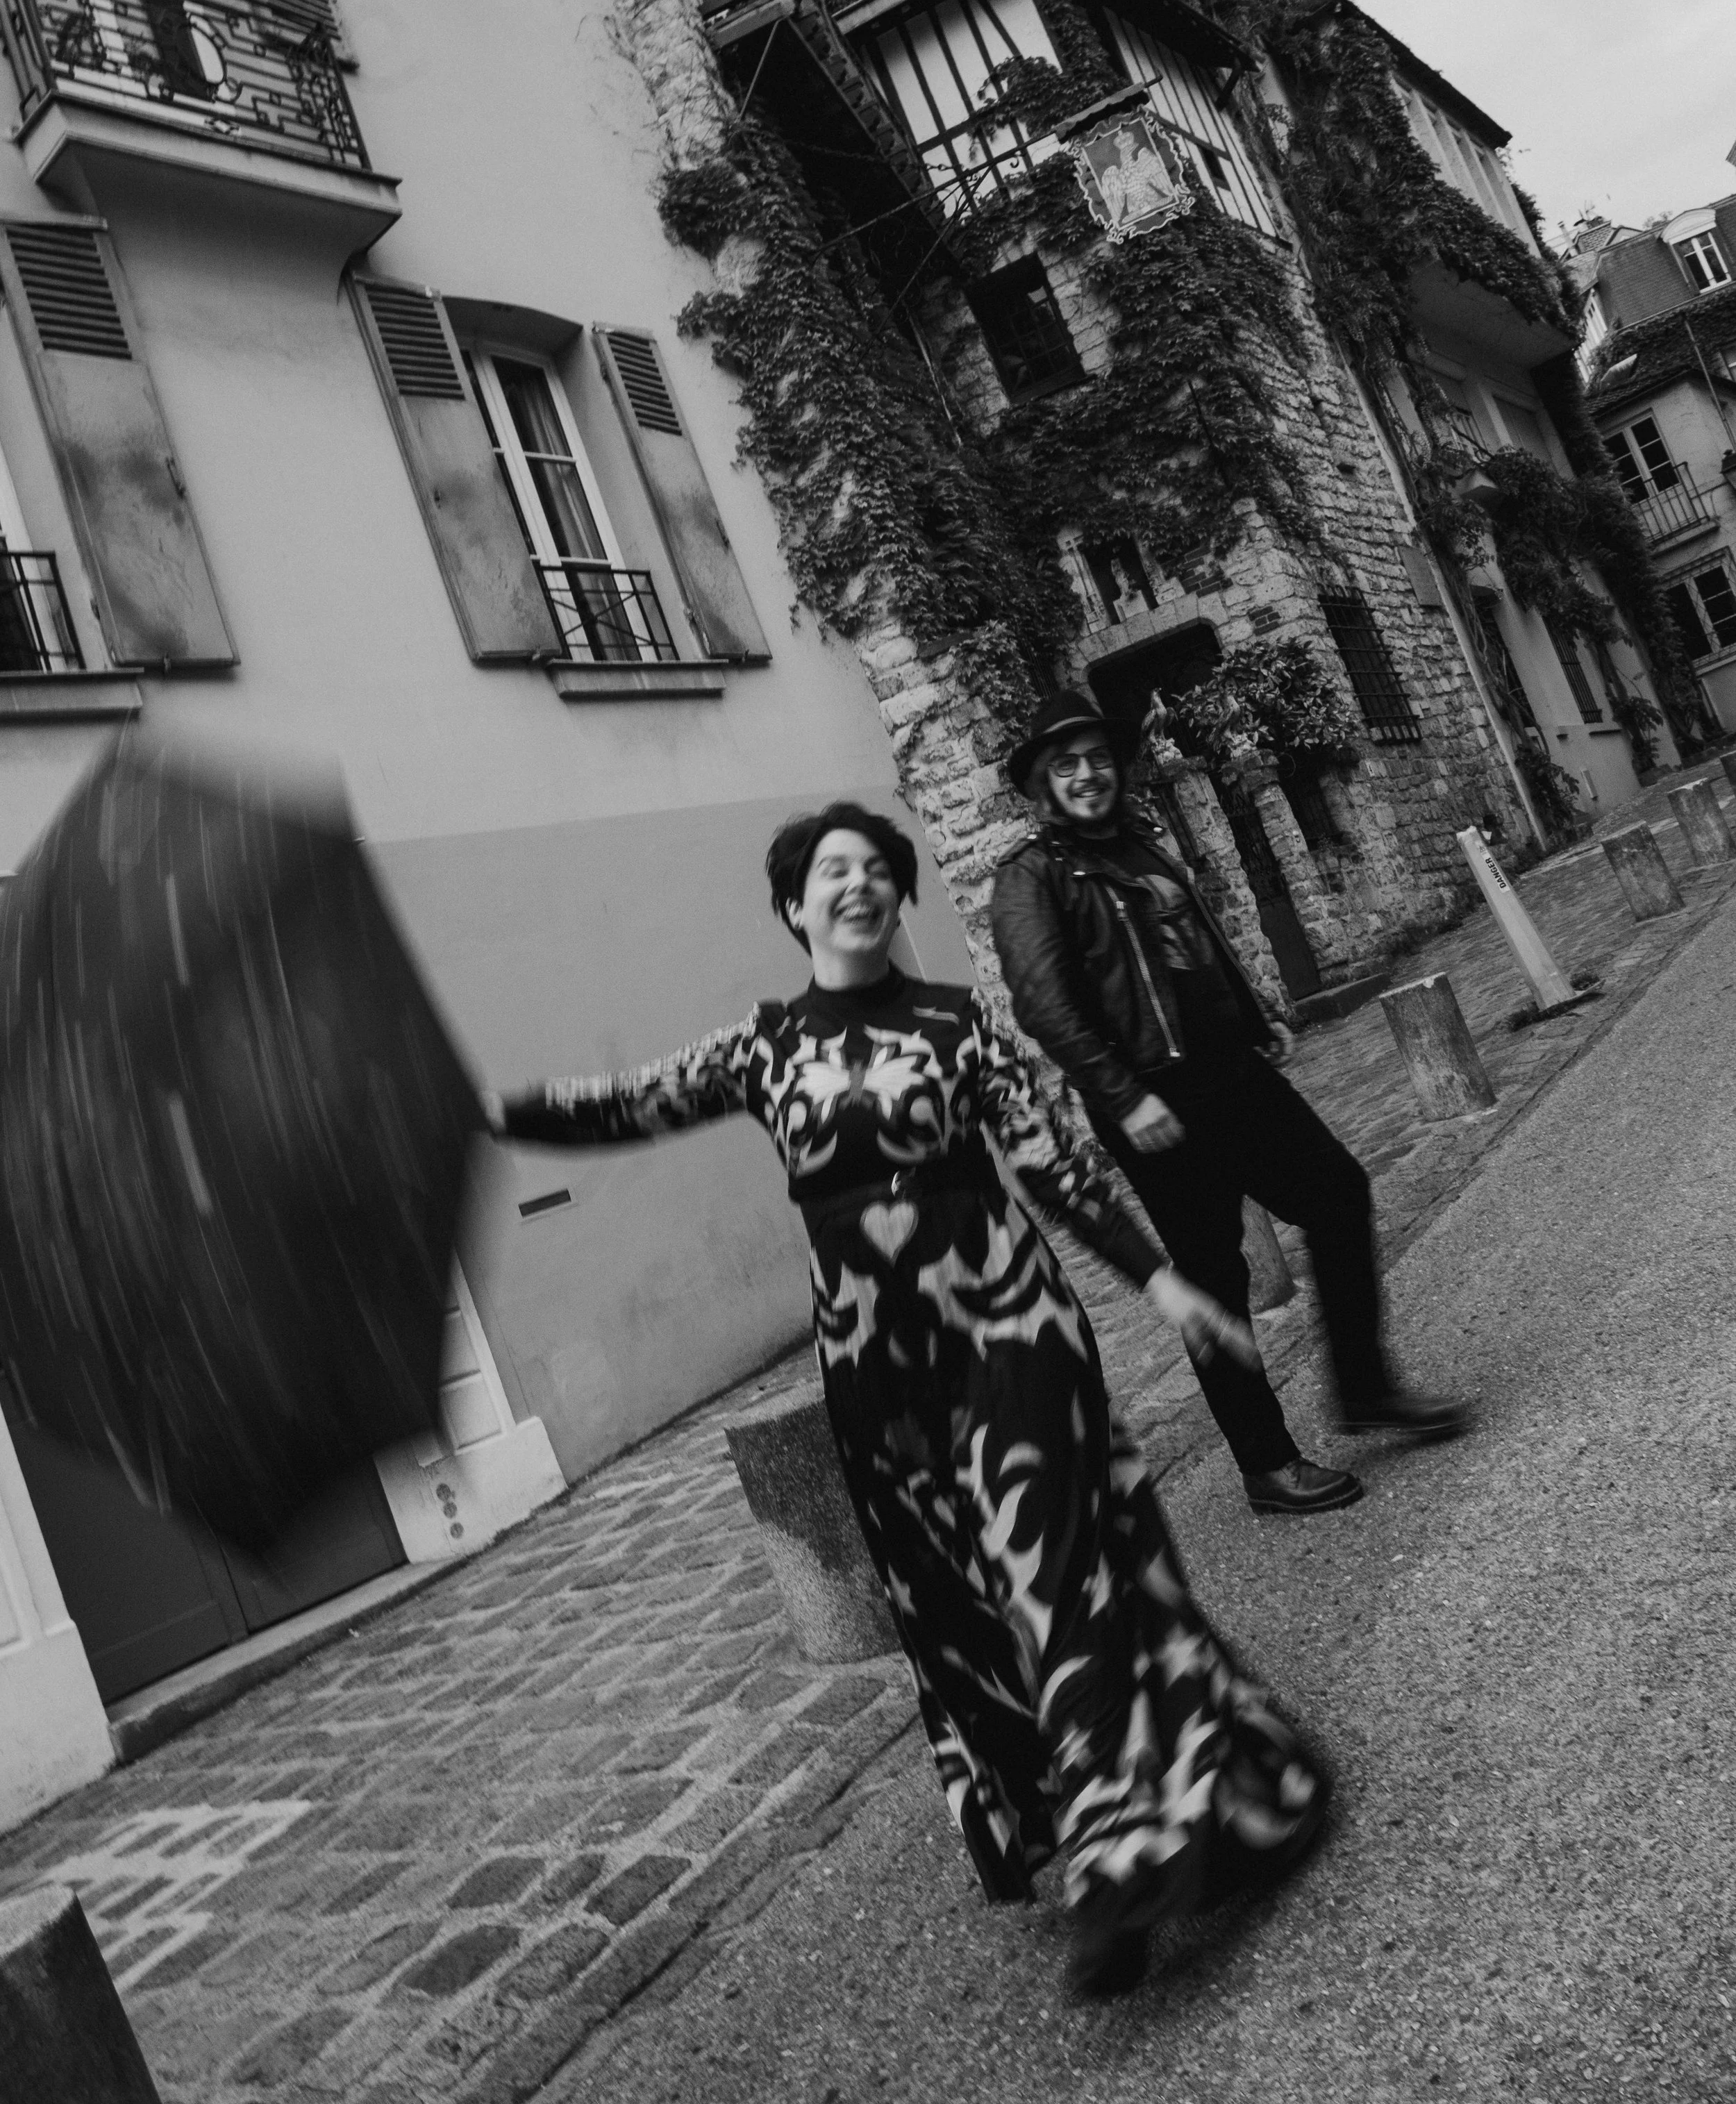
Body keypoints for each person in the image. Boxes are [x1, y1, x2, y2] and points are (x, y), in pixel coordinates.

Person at [485, 801, 1328, 1998]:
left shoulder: (956, 1022)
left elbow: (1054, 1165)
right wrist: (489, 1109)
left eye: (878, 868)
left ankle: (1121, 1863)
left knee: (1058, 1571)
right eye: (831, 871)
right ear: (794, 906)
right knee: (966, 1602)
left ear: (897, 896)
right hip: (876, 1365)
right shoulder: (763, 1045)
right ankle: (1159, 1794)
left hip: (1010, 1327)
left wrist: (1164, 1282)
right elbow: (627, 1102)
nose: (859, 883)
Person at [990, 692, 1470, 1520]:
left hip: (1230, 1074)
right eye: (1064, 765)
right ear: (1041, 784)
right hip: (1154, 1101)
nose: (1086, 775)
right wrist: (1122, 1098)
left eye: (1097, 758)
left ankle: (1364, 1389)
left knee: (1337, 1193)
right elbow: (1044, 1006)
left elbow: (1196, 948)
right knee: (1214, 1279)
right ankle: (1267, 1463)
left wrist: (1255, 1016)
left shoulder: (1140, 842)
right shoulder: (1032, 877)